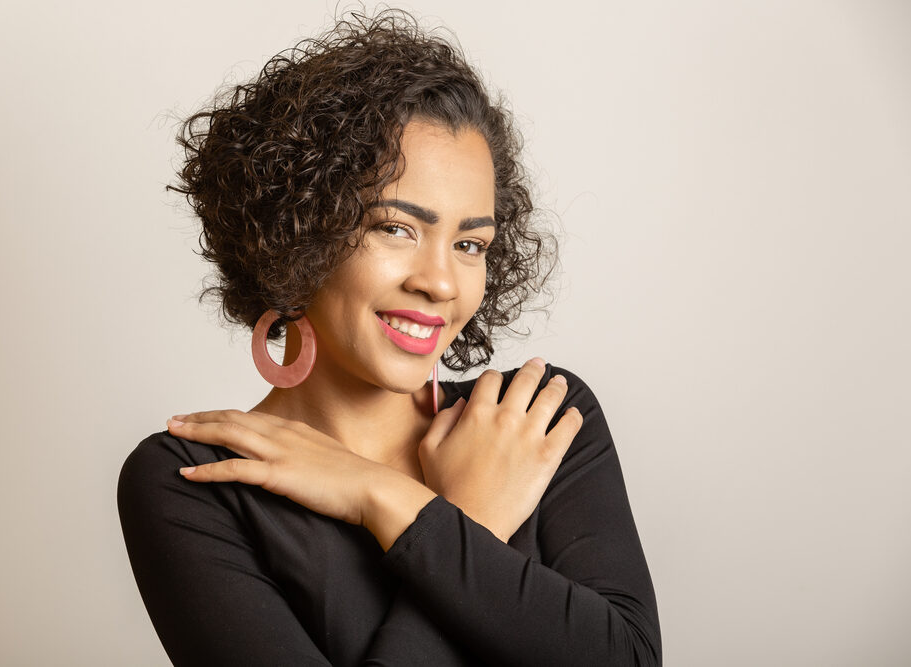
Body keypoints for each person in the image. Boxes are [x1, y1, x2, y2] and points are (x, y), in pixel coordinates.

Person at [117, 8, 660, 666]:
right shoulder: (195, 484)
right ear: (297, 230)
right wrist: (469, 517)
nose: (440, 281)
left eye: (469, 242)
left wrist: (387, 497)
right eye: (396, 227)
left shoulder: (537, 419)